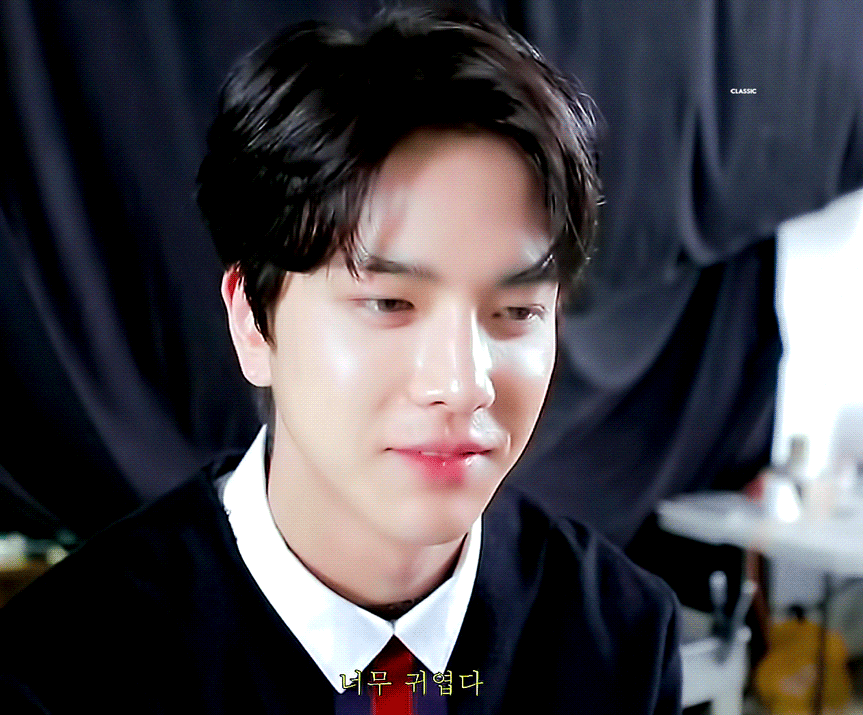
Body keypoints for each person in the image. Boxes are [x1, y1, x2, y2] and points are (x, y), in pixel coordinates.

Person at [0, 5, 680, 713]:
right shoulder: (63, 672)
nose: (461, 384)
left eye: (515, 312)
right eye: (388, 303)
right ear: (252, 320)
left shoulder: (619, 637)